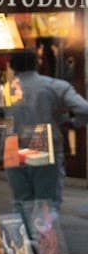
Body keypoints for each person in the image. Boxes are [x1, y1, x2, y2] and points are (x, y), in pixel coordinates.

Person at [5, 48, 88, 208]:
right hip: (43, 142)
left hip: (12, 144)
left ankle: (24, 232)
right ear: (37, 63)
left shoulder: (5, 90)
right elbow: (84, 109)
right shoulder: (56, 86)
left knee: (21, 203)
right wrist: (73, 123)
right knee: (46, 203)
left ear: (12, 66)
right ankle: (44, 233)